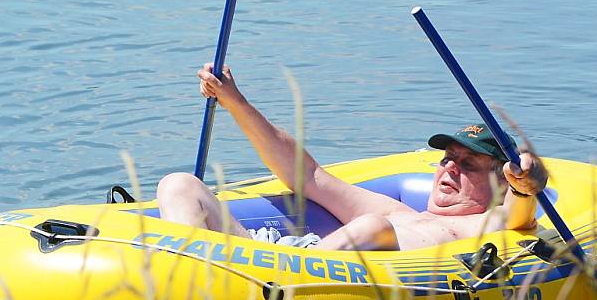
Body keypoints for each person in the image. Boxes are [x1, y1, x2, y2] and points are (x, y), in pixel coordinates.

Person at [156, 64, 548, 251]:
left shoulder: (487, 224)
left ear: (500, 183)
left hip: (302, 285)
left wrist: (528, 175)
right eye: (447, 158)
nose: (450, 167)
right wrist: (234, 100)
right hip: (272, 260)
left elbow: (522, 205)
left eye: (467, 164)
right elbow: (305, 174)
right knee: (179, 185)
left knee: (373, 227)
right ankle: (180, 278)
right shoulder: (396, 210)